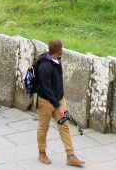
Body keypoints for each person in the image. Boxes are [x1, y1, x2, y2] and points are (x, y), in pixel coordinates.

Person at [34, 39, 85, 167]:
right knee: (43, 128)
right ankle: (42, 152)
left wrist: (60, 102)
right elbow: (46, 89)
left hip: (58, 99)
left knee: (64, 126)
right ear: (59, 50)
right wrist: (58, 106)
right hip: (45, 102)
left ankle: (70, 155)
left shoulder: (57, 60)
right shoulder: (45, 66)